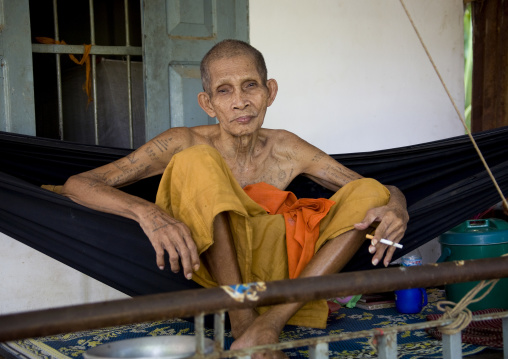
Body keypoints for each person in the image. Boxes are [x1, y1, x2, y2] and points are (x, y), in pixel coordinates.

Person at [61, 39, 408, 358]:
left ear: (270, 92)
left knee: (372, 193)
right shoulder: (184, 142)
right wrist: (148, 213)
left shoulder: (285, 146)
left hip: (284, 276)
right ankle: (244, 322)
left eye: (250, 86)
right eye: (224, 91)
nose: (240, 101)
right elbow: (80, 183)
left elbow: (372, 189)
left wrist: (398, 207)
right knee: (199, 159)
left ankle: (271, 321)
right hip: (205, 265)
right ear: (207, 103)